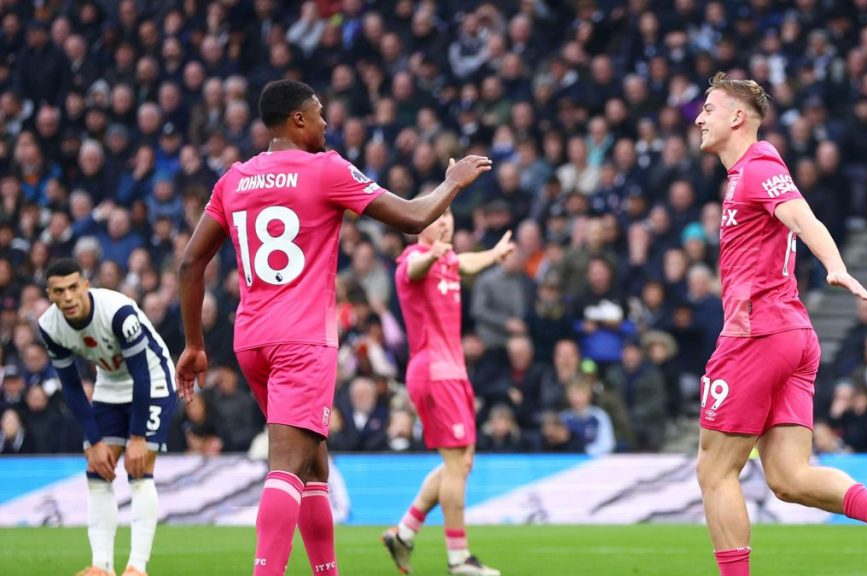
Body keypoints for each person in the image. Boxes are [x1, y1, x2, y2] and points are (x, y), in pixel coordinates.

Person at [174, 79, 492, 576]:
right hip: (302, 339)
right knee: (285, 467)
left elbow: (191, 263)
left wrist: (194, 343)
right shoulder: (325, 169)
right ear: (298, 120)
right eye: (319, 114)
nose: (326, 123)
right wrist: (453, 182)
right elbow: (412, 218)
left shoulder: (233, 179)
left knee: (313, 463)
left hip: (252, 339)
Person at [693, 73, 867, 576]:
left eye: (709, 108)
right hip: (793, 336)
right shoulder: (739, 176)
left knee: (715, 471)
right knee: (788, 476)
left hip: (756, 334)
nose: (699, 116)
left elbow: (803, 218)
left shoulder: (758, 164)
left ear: (738, 117)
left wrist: (835, 264)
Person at [381, 206, 514, 576]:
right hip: (434, 372)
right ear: (419, 227)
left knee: (461, 463)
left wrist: (494, 254)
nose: (445, 221)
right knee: (457, 466)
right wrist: (430, 254)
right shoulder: (413, 258)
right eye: (436, 217)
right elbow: (411, 270)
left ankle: (405, 532)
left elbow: (466, 263)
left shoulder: (449, 260)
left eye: (449, 215)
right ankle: (459, 559)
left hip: (453, 373)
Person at [38, 258, 178, 576]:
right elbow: (71, 386)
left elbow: (141, 373)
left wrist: (138, 437)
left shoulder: (117, 312)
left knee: (139, 467)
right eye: (59, 291)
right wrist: (95, 440)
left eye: (74, 287)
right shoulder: (49, 326)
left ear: (86, 285)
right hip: (110, 384)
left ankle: (137, 567)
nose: (69, 297)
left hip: (153, 380)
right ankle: (101, 566)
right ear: (50, 294)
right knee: (97, 469)